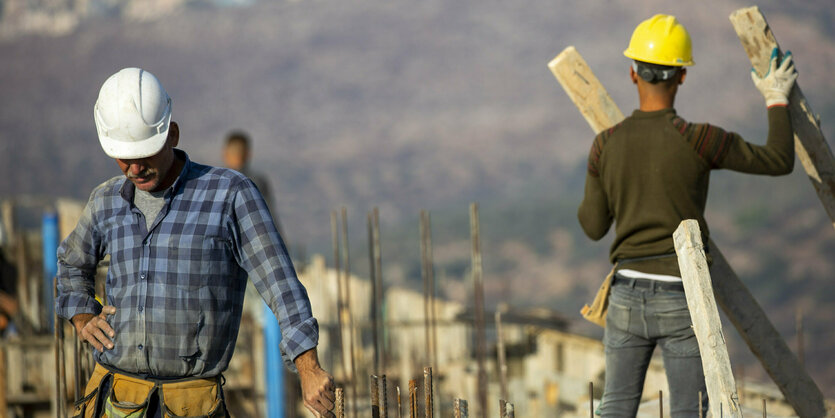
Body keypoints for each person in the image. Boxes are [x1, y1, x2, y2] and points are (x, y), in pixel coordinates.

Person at [56, 67, 335, 417]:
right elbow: (71, 263)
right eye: (125, 158)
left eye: (146, 155)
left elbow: (281, 284)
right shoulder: (106, 201)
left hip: (190, 405)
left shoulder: (229, 195)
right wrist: (82, 315)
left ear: (172, 134)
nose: (135, 168)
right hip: (116, 400)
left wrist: (308, 368)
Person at [577, 15, 797, 416]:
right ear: (681, 76)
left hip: (625, 295)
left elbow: (593, 227)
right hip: (682, 296)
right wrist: (776, 96)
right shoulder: (700, 140)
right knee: (689, 411)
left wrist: (603, 175)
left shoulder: (605, 145)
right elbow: (779, 160)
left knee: (615, 406)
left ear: (632, 74)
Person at [222, 131, 285, 239]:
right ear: (248, 154)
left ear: (225, 154)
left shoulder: (217, 182)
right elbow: (269, 217)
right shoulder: (257, 182)